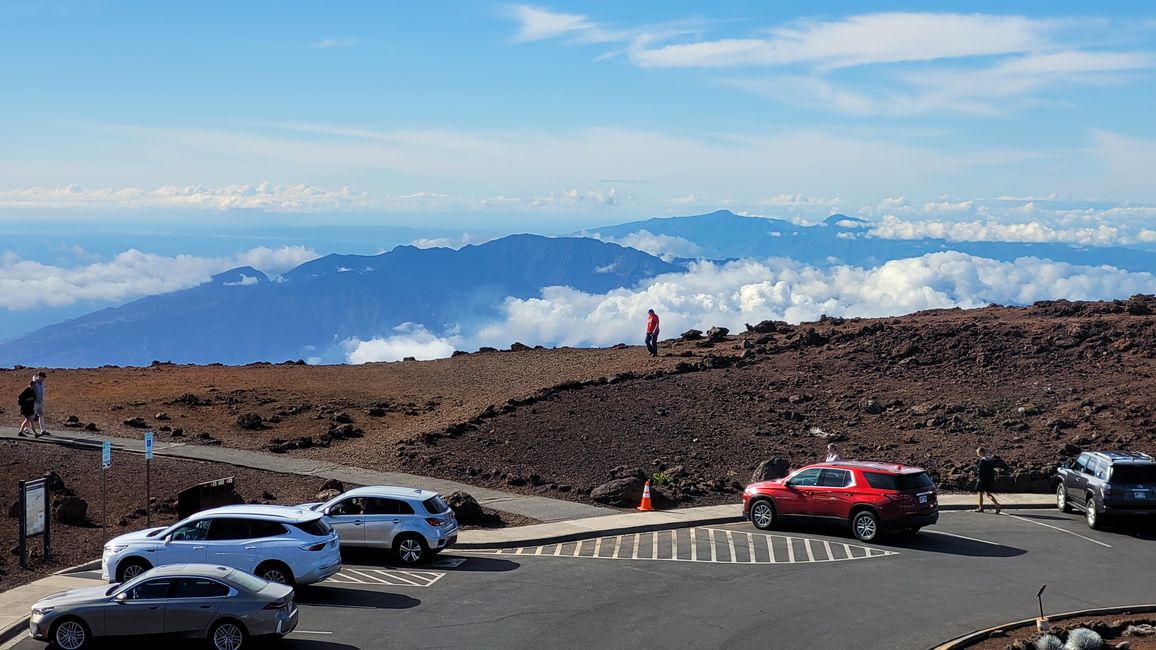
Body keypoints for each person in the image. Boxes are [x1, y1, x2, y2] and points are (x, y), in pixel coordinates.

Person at [974, 446, 1001, 514]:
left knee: (980, 494)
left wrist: (975, 473)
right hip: (989, 480)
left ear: (980, 453)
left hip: (981, 480)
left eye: (978, 453)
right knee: (988, 494)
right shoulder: (990, 460)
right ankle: (997, 504)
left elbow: (980, 471)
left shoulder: (982, 461)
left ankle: (980, 508)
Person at [32, 371, 47, 437]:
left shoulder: (42, 384)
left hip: (40, 402)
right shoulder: (34, 383)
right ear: (39, 377)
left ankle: (43, 430)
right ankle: (25, 429)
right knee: (30, 416)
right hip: (34, 402)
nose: (44, 379)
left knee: (41, 415)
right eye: (43, 377)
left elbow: (42, 392)